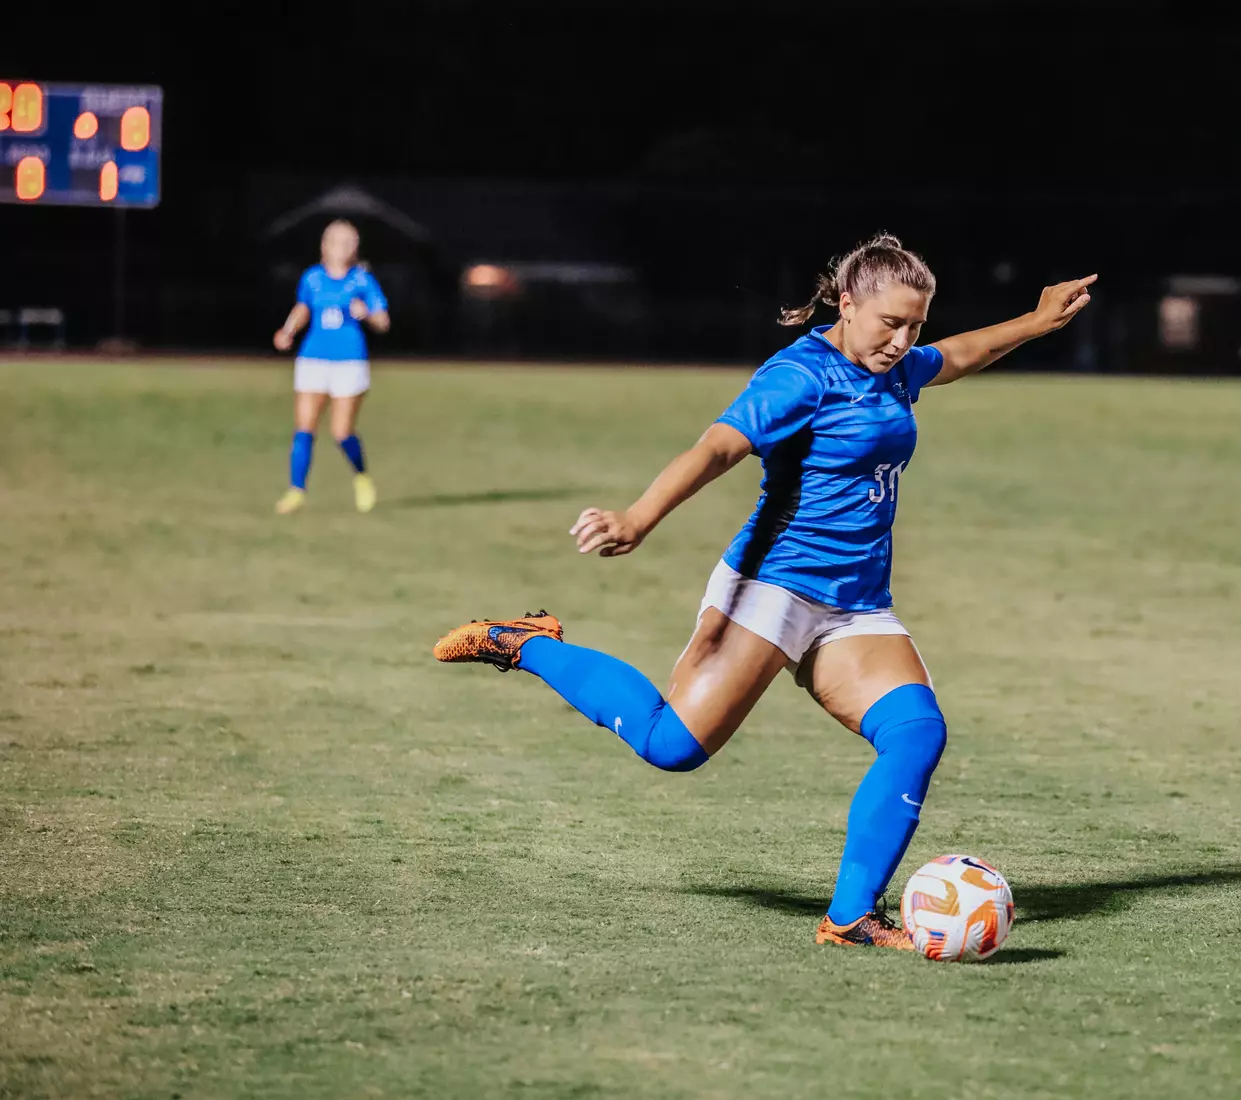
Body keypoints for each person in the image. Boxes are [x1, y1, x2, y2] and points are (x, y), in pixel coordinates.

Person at [433, 234, 1094, 949]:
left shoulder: (894, 369)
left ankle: (849, 919)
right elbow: (717, 446)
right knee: (671, 747)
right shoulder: (800, 376)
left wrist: (1034, 322)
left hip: (855, 604)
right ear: (847, 303)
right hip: (772, 588)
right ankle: (529, 645)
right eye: (890, 324)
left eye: (915, 326)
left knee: (916, 733)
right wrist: (637, 518)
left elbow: (957, 357)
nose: (903, 341)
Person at [272, 220, 390, 514]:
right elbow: (303, 308)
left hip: (349, 362)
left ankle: (361, 477)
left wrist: (366, 314)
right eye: (337, 241)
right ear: (324, 246)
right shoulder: (312, 278)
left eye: (350, 242)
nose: (343, 248)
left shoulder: (362, 281)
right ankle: (296, 490)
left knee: (341, 431)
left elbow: (383, 321)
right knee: (304, 427)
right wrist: (288, 330)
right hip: (313, 358)